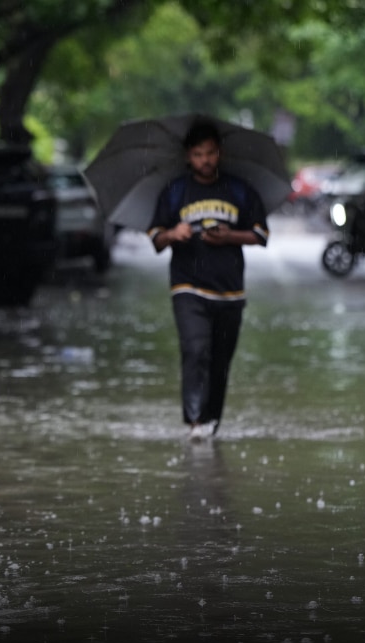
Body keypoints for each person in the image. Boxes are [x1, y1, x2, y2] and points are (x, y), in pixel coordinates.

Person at [147, 120, 268, 441]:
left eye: (211, 153)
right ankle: (194, 421)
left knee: (220, 361)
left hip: (230, 291)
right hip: (188, 286)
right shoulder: (175, 192)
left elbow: (260, 235)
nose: (205, 160)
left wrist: (230, 236)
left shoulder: (240, 190)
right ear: (188, 156)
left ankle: (211, 421)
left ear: (220, 153)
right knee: (195, 349)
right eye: (199, 154)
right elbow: (156, 239)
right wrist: (174, 233)